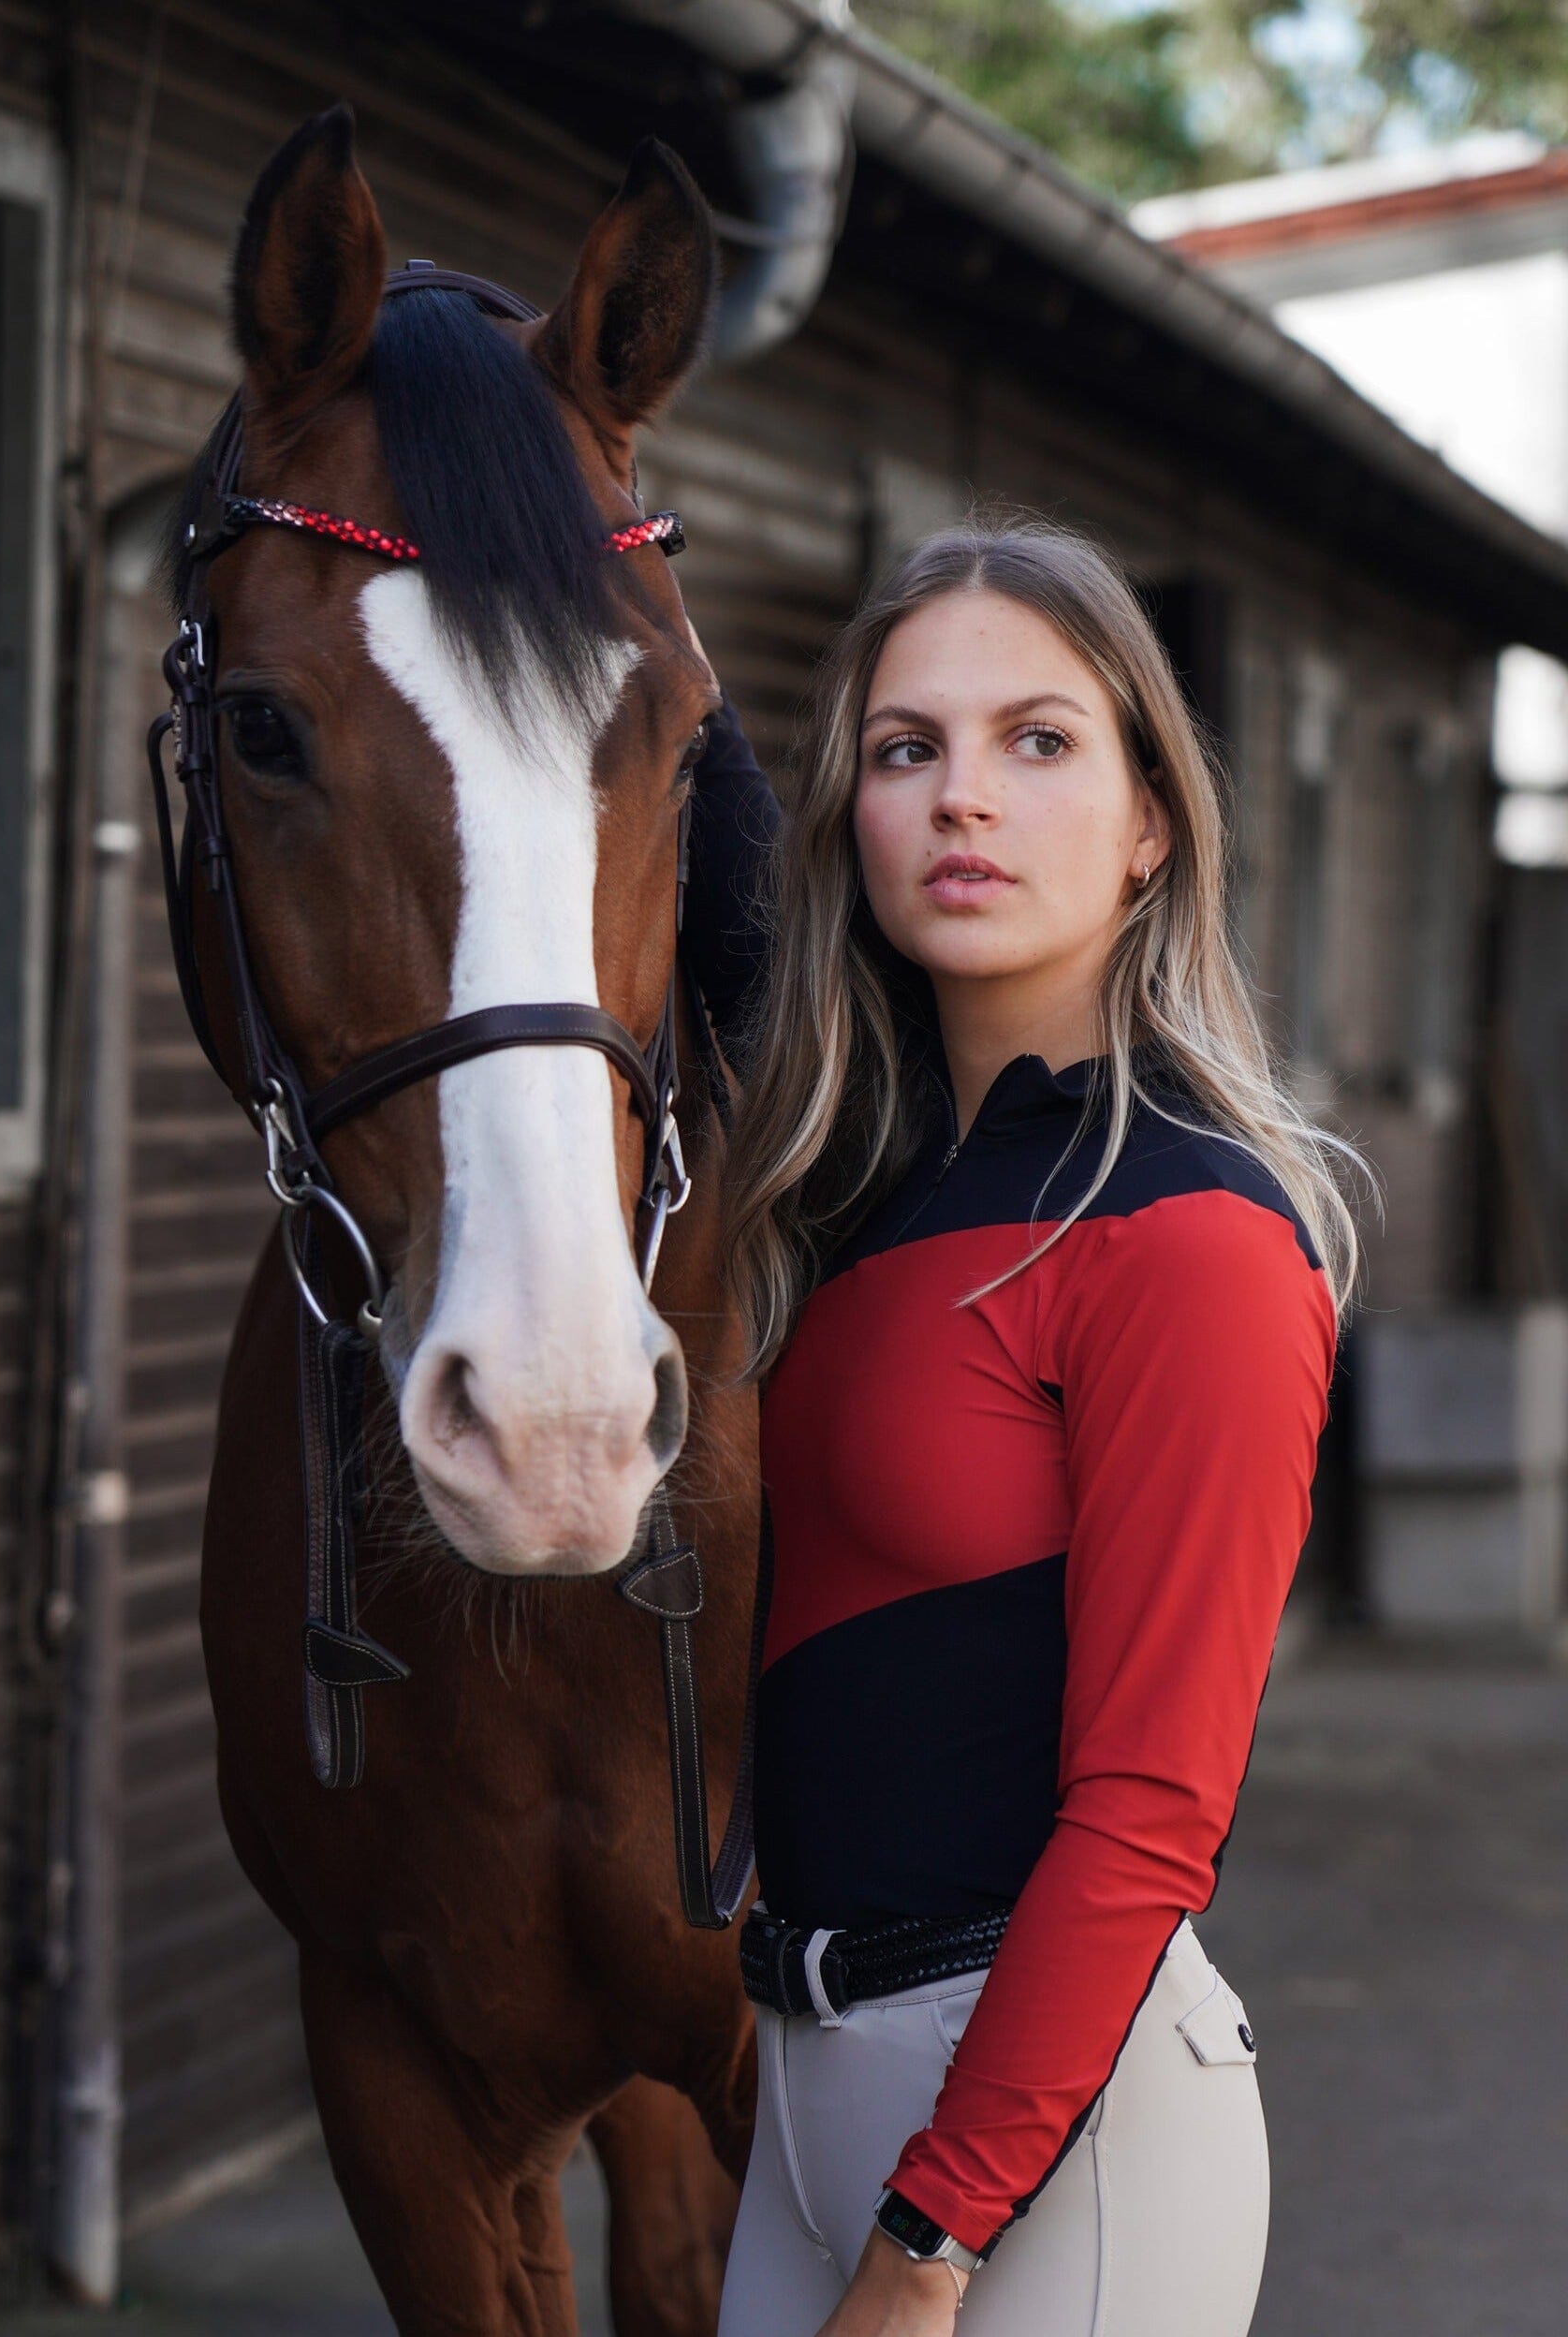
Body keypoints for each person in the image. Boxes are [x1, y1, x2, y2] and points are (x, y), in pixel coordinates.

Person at [680, 515, 1360, 2337]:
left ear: (1149, 825)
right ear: (855, 826)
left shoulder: (1188, 1238)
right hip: (804, 2094)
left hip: (1051, 2152)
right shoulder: (859, 1205)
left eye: (1037, 741)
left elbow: (1149, 1811)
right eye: (907, 751)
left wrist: (931, 2239)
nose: (961, 797)